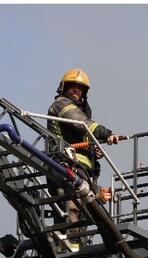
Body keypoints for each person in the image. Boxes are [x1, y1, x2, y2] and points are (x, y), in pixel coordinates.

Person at [46, 68, 122, 248]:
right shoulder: (61, 105)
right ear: (64, 88)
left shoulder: (81, 113)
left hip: (81, 169)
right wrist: (106, 134)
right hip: (65, 165)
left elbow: (82, 133)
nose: (76, 91)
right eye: (72, 87)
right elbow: (82, 124)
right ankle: (70, 246)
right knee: (72, 208)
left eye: (80, 88)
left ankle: (77, 245)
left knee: (86, 210)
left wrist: (93, 150)